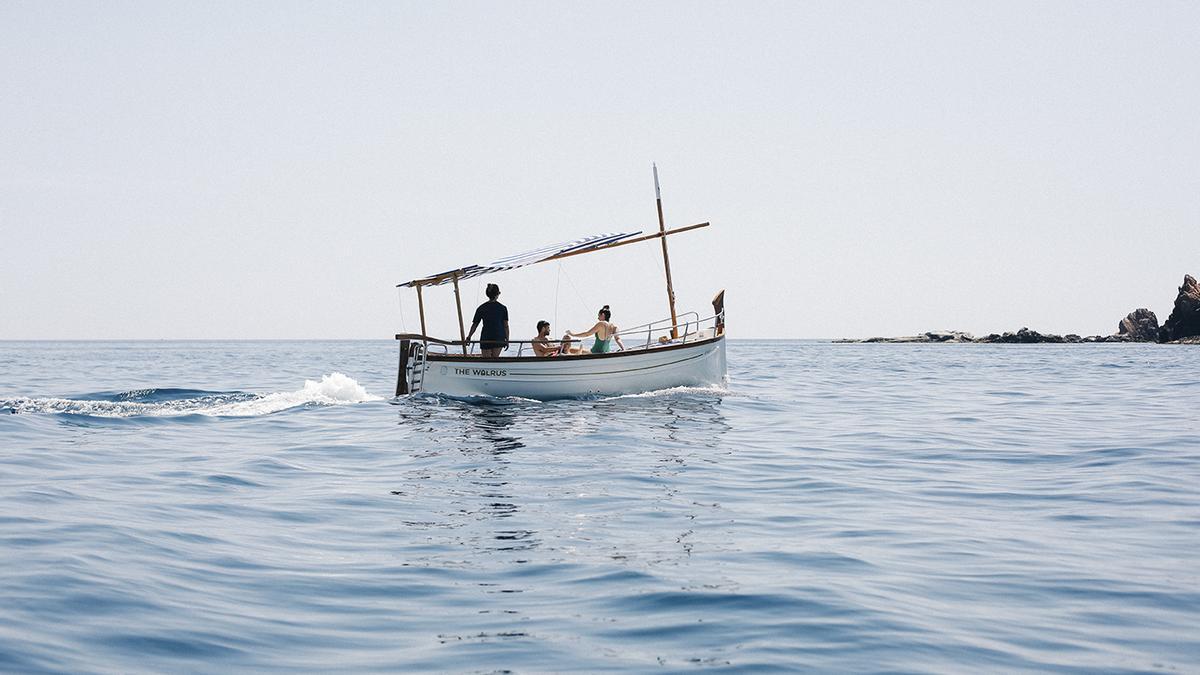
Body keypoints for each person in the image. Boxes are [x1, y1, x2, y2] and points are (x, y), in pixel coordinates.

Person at [466, 283, 509, 358]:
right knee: (495, 359)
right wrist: (507, 340)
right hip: (498, 337)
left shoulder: (481, 308)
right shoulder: (502, 308)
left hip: (486, 337)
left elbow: (475, 324)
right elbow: (506, 326)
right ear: (498, 294)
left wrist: (469, 337)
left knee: (486, 360)